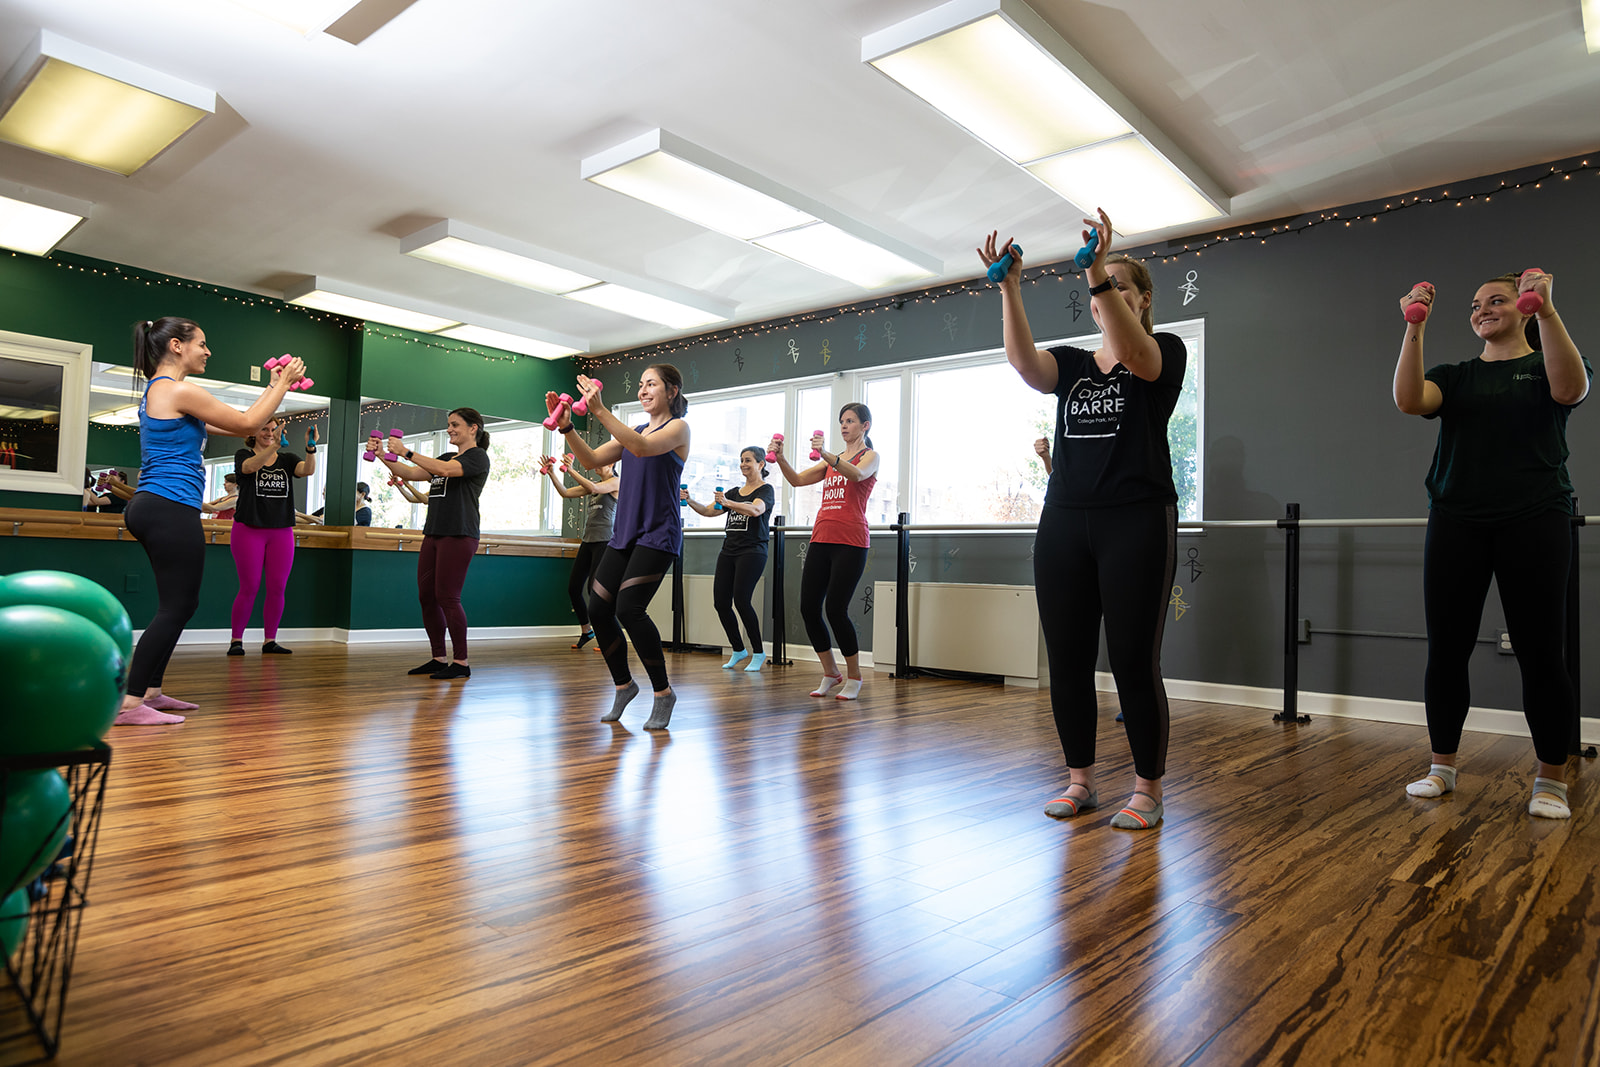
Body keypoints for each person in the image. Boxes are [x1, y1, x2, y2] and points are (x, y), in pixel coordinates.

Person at [980, 210, 1186, 831]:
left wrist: (1097, 270)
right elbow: (1025, 363)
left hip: (1136, 520)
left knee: (1132, 661)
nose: (1107, 292)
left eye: (1121, 285)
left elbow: (1137, 355)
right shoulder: (1071, 365)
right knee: (1067, 661)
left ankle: (1147, 789)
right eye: (1102, 287)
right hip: (1066, 523)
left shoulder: (1164, 353)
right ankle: (1081, 781)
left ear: (1142, 300)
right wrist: (1010, 287)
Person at [1392, 269, 1589, 819]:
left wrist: (1548, 309)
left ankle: (1551, 780)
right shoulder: (1456, 377)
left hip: (1536, 519)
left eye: (1496, 300)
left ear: (1523, 307)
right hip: (1456, 521)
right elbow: (1409, 399)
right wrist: (1414, 324)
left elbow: (1571, 390)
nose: (1482, 309)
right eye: (1475, 305)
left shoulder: (1546, 362)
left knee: (1541, 652)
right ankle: (1442, 768)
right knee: (1446, 651)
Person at [118, 317, 306, 725]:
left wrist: (273, 387)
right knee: (177, 605)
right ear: (176, 345)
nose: (207, 351)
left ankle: (151, 692)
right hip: (167, 505)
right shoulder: (176, 389)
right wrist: (283, 383)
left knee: (180, 604)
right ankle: (130, 703)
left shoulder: (164, 392)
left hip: (159, 505)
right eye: (201, 343)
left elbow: (239, 422)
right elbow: (248, 424)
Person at [556, 366, 689, 729]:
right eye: (641, 384)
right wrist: (568, 428)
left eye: (651, 384)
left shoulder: (678, 429)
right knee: (598, 608)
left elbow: (642, 449)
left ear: (672, 391)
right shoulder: (637, 429)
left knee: (630, 608)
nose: (643, 390)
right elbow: (591, 460)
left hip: (658, 533)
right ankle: (624, 685)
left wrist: (599, 409)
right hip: (626, 532)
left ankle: (663, 693)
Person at [769, 405, 879, 700]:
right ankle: (831, 672)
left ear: (865, 425)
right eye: (842, 421)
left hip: (851, 541)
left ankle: (854, 676)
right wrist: (781, 458)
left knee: (836, 609)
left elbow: (857, 474)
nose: (844, 426)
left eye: (850, 421)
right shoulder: (832, 461)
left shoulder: (869, 457)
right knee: (808, 608)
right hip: (821, 538)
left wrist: (826, 454)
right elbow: (797, 480)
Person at [373, 410, 492, 681]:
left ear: (473, 428)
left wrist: (406, 451)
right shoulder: (445, 456)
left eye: (455, 424)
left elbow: (446, 471)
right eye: (448, 425)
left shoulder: (477, 457)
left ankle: (460, 662)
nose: (449, 429)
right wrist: (382, 455)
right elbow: (410, 473)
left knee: (448, 597)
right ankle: (439, 658)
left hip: (459, 533)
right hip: (434, 533)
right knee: (426, 596)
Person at [226, 418, 316, 656]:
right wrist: (274, 445)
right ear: (253, 433)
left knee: (277, 587)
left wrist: (310, 449)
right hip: (249, 529)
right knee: (250, 586)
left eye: (273, 429)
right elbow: (249, 468)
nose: (269, 433)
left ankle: (270, 641)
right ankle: (236, 640)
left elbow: (307, 470)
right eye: (264, 429)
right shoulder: (243, 455)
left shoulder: (287, 459)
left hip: (281, 531)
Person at [683, 446, 775, 672]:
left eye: (748, 460)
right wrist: (690, 500)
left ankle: (759, 652)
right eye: (741, 460)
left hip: (752, 551)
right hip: (729, 551)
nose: (743, 464)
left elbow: (756, 510)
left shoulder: (766, 490)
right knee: (721, 603)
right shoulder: (734, 492)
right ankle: (738, 649)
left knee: (742, 600)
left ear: (761, 464)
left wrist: (728, 503)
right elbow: (708, 511)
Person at [541, 454, 619, 650]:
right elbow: (566, 492)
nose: (595, 467)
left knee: (595, 591)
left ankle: (607, 636)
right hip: (588, 541)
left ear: (611, 463)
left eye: (599, 463)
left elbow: (593, 488)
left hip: (605, 542)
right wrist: (552, 473)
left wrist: (571, 470)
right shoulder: (595, 485)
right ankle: (587, 630)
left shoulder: (617, 483)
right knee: (574, 588)